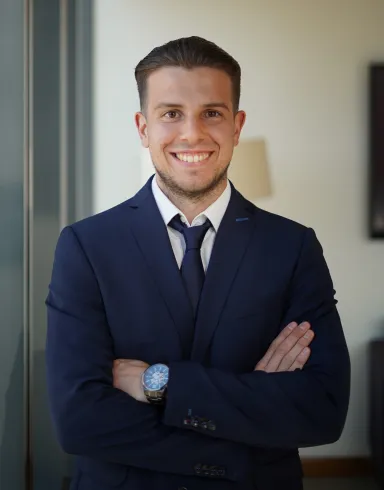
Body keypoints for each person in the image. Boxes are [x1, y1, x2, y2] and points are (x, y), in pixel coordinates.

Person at [46, 36, 350, 490]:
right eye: (171, 113)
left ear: (237, 125)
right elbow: (80, 421)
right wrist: (247, 430)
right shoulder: (86, 246)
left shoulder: (292, 246)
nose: (192, 133)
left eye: (212, 112)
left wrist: (159, 383)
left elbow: (321, 410)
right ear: (142, 127)